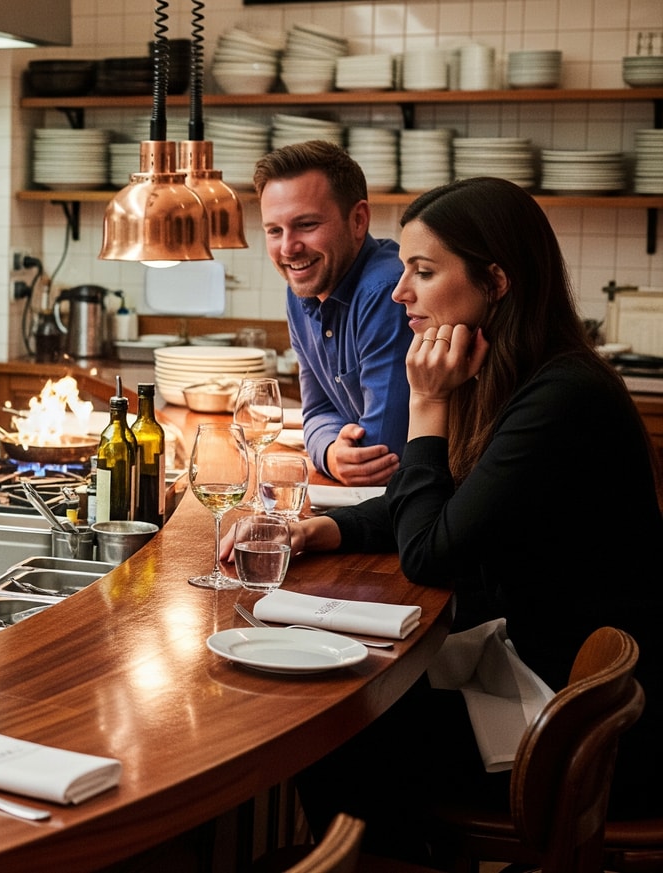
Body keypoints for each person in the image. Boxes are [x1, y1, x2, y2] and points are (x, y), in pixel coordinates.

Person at [282, 176, 663, 861]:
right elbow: (445, 500)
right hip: (539, 678)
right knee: (341, 712)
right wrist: (330, 528)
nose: (401, 293)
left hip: (580, 733)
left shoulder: (562, 399)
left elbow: (432, 551)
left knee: (330, 729)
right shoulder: (524, 374)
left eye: (423, 272)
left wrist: (426, 407)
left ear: (496, 281)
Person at [255, 140, 410, 486]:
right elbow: (318, 410)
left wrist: (338, 454)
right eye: (274, 231)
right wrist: (329, 453)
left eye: (306, 225)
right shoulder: (302, 290)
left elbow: (380, 456)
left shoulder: (387, 291)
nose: (288, 248)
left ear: (358, 220)